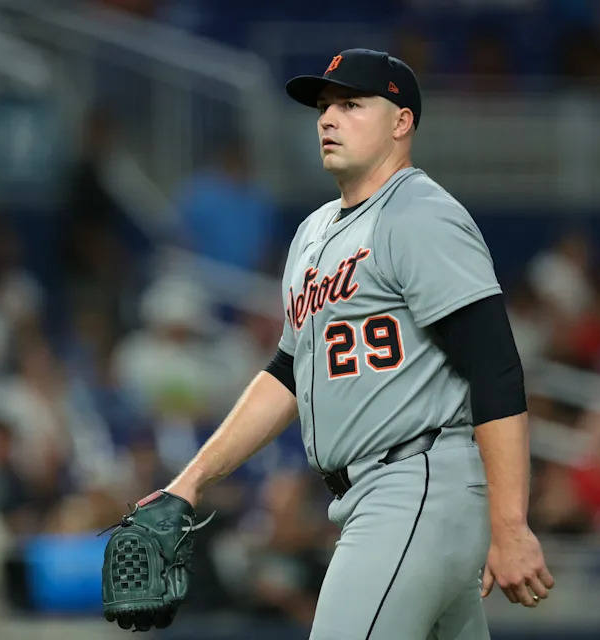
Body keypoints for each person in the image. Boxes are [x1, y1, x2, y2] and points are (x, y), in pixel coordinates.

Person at [154, 48, 554, 638]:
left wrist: (511, 524)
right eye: (322, 106)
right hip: (375, 495)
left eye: (349, 103)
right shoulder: (313, 232)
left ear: (401, 122)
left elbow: (495, 366)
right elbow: (289, 371)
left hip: (415, 482)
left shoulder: (419, 214)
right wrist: (190, 480)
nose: (327, 118)